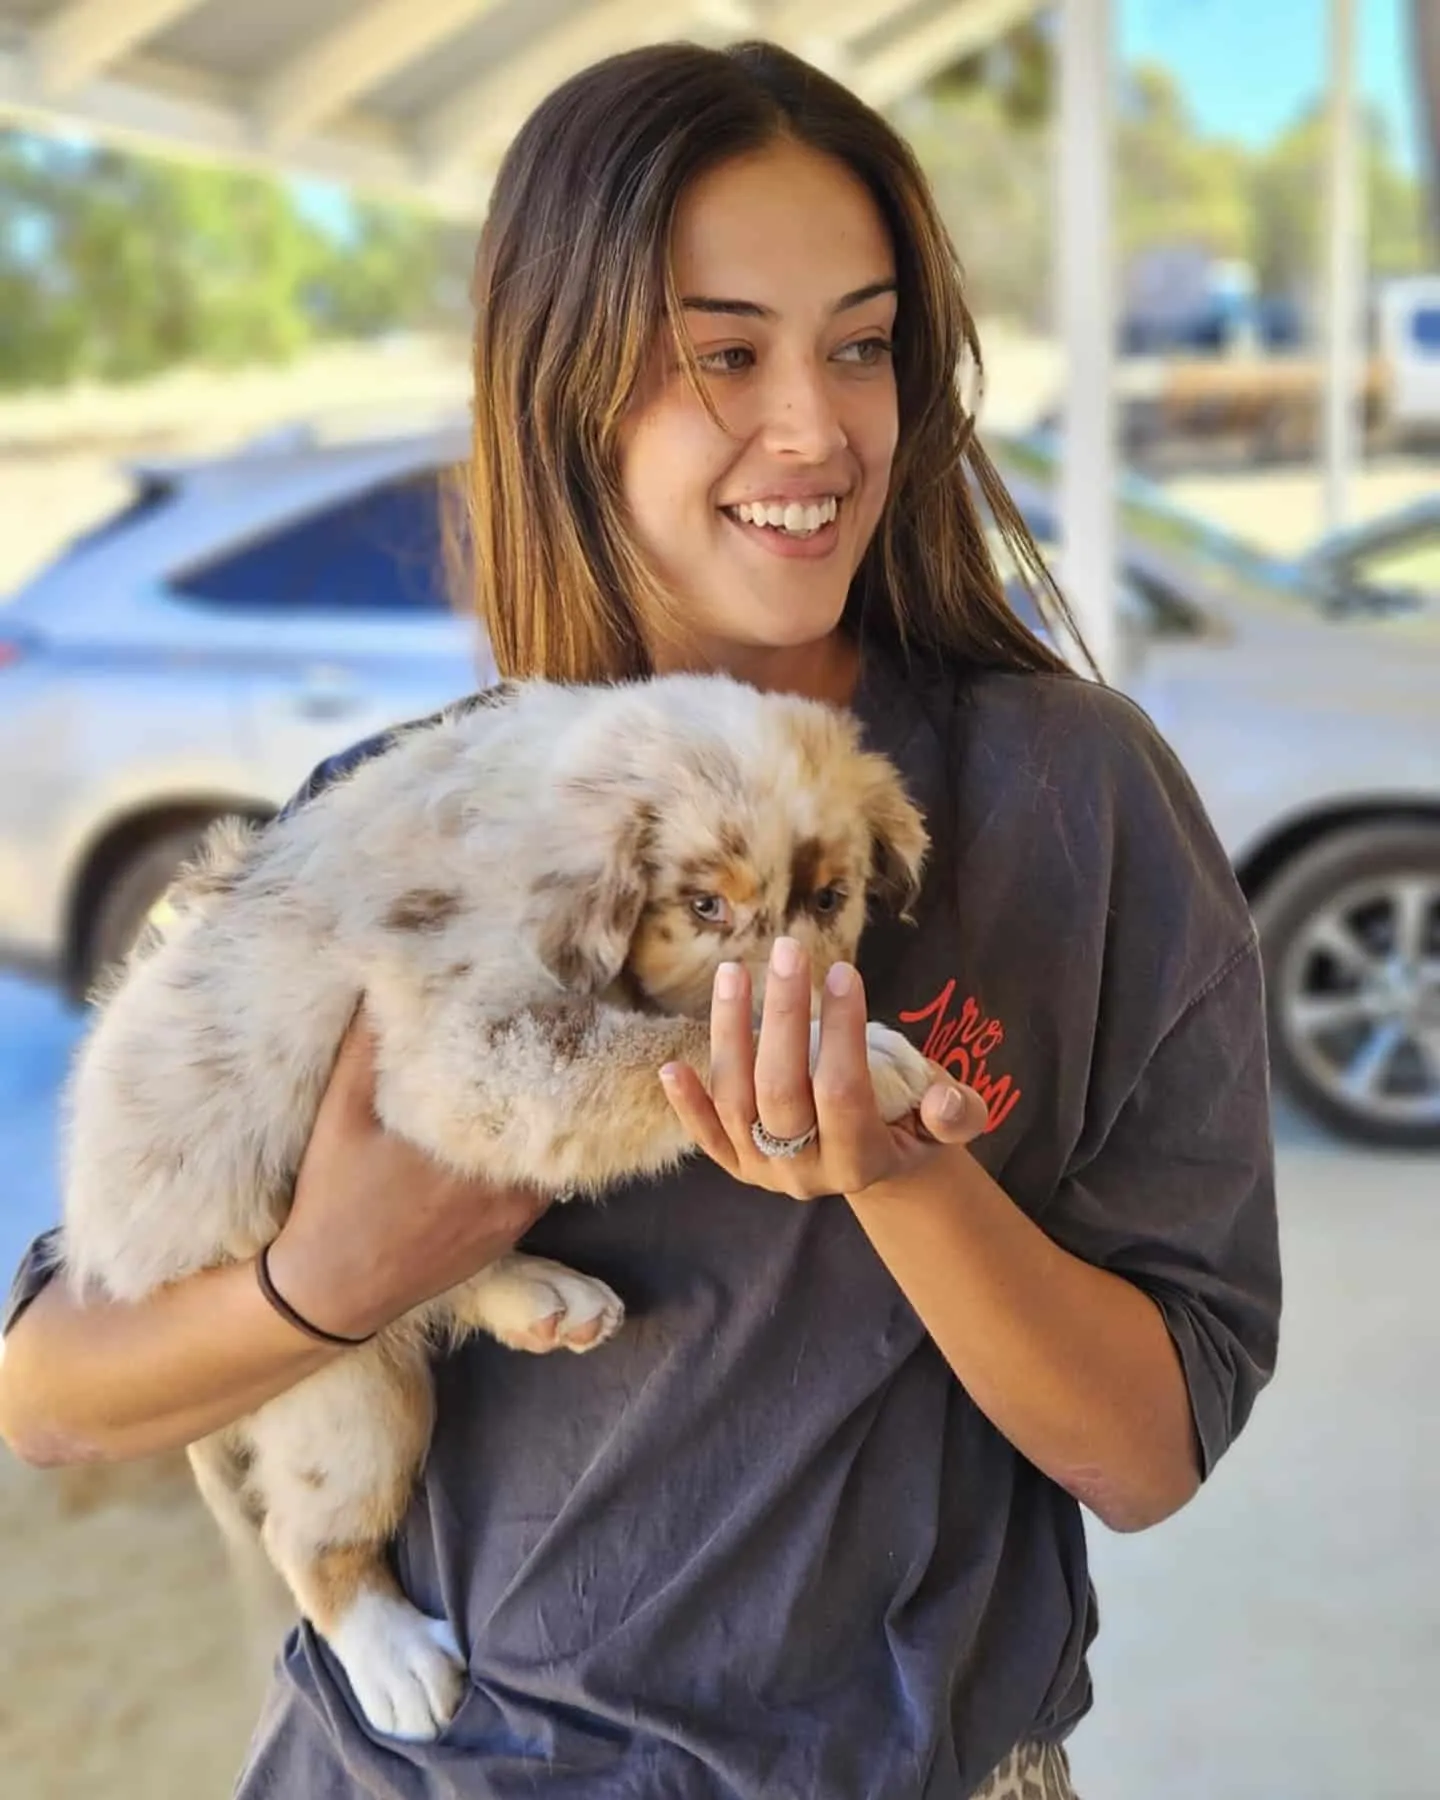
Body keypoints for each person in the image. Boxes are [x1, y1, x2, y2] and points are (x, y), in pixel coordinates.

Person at [0, 39, 1281, 1800]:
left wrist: (904, 1173)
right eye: (721, 356)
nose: (816, 426)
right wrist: (332, 1281)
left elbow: (1149, 1450)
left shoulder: (1072, 800)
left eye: (861, 342)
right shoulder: (425, 808)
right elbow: (55, 1390)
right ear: (568, 385)